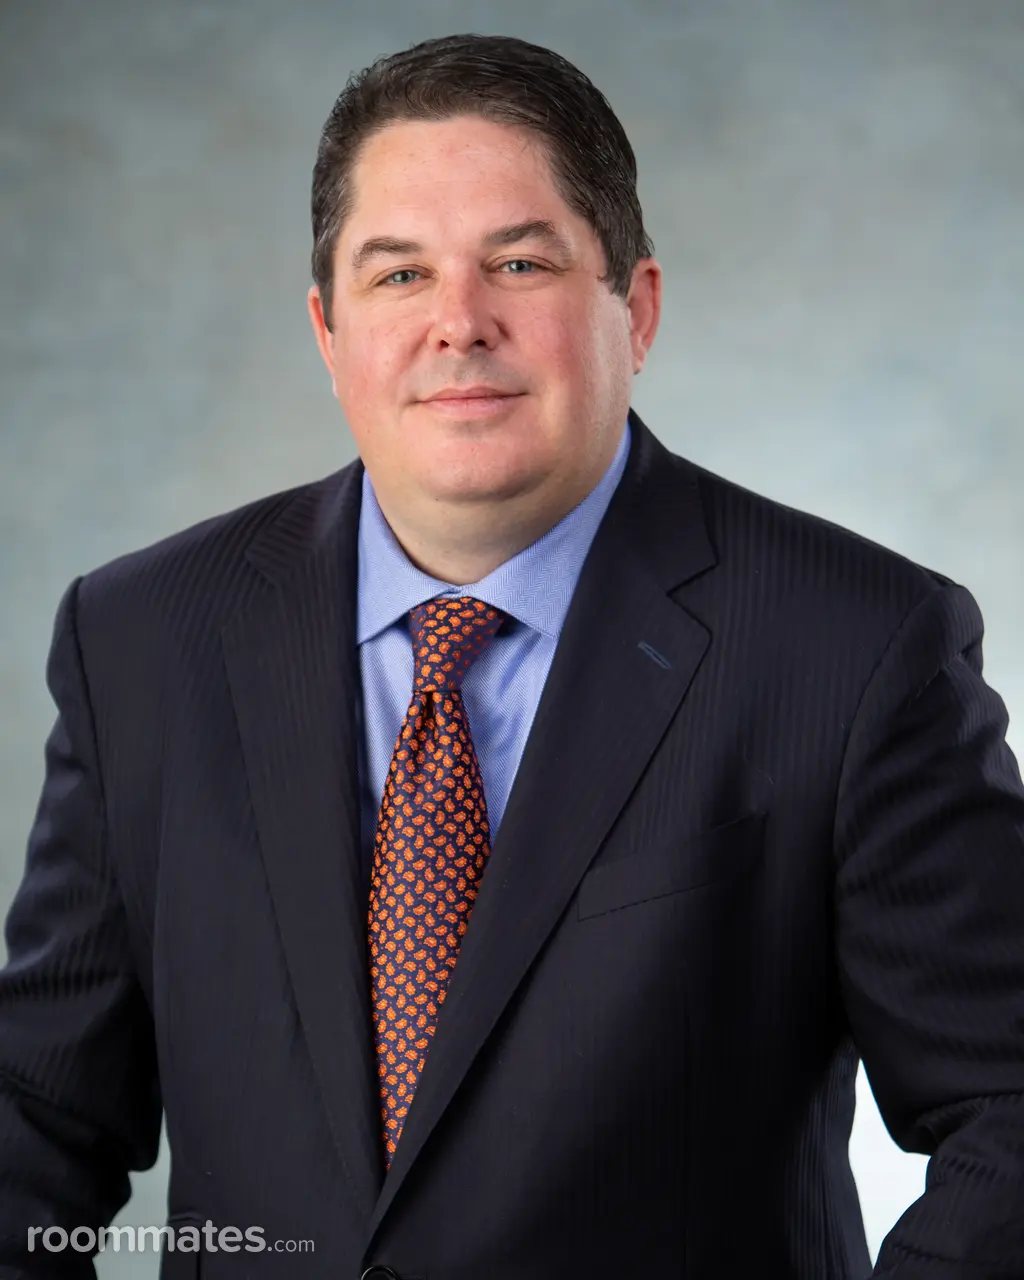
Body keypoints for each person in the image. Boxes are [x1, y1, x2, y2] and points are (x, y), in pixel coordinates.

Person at [1, 31, 1022, 1280]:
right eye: (399, 274)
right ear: (327, 330)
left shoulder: (852, 646)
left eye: (519, 263)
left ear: (635, 308)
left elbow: (1008, 1106)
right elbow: (35, 1118)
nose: (458, 324)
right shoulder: (143, 639)